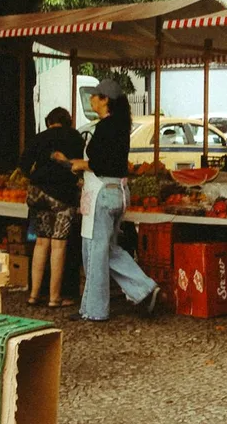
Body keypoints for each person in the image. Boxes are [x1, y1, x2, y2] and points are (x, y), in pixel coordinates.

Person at [57, 79, 160, 322]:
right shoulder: (122, 125)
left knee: (93, 251)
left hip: (101, 194)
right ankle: (144, 288)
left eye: (95, 96)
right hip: (118, 193)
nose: (91, 99)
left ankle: (94, 310)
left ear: (105, 100)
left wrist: (81, 164)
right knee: (108, 249)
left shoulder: (105, 127)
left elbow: (102, 163)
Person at [18, 107, 85, 308]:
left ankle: (34, 294)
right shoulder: (74, 137)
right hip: (62, 195)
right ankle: (54, 297)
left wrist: (36, 177)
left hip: (38, 194)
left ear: (49, 122)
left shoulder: (38, 138)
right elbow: (77, 165)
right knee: (59, 245)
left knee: (41, 243)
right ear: (68, 121)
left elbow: (23, 165)